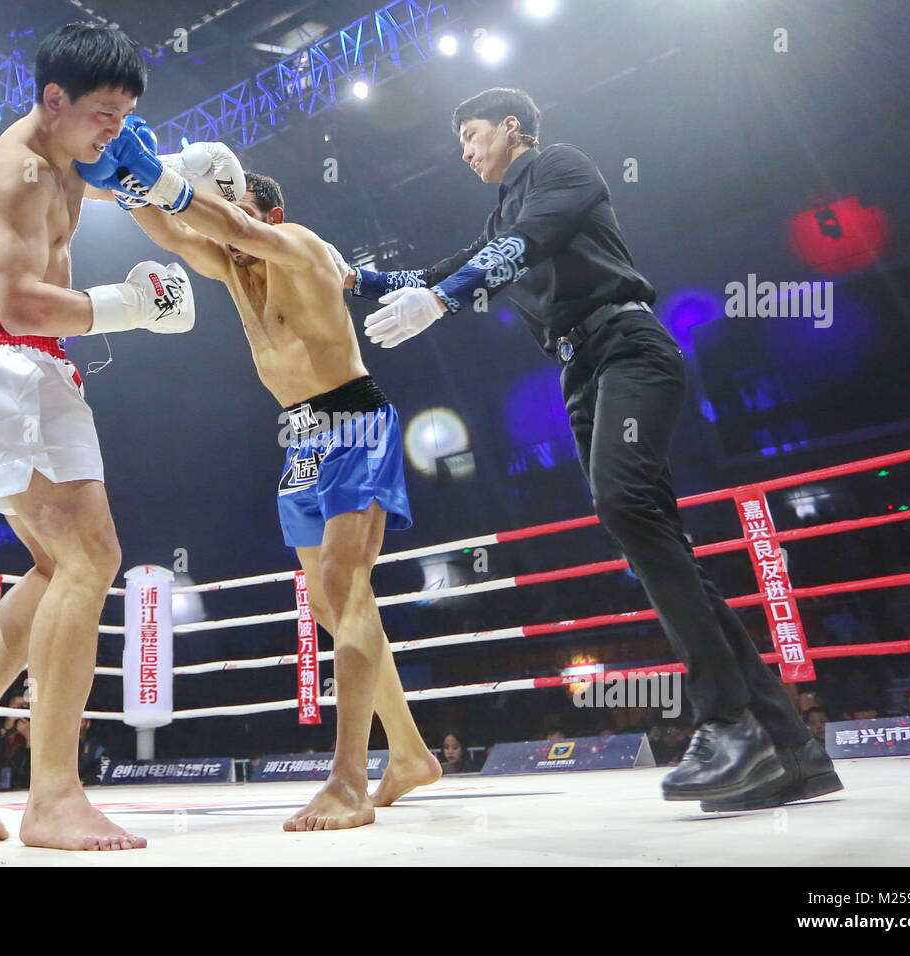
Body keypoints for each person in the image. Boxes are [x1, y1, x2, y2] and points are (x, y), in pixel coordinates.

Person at [342, 87, 841, 812]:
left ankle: (726, 724)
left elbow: (524, 246)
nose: (464, 150)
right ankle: (791, 748)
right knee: (651, 539)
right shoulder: (498, 215)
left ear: (511, 127)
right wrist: (351, 277)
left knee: (624, 504)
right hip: (579, 369)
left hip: (627, 346)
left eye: (473, 134)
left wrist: (445, 301)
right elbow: (433, 273)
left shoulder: (560, 168)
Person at [75, 128, 442, 830]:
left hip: (354, 421)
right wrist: (128, 174)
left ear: (267, 215)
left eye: (234, 213)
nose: (224, 232)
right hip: (301, 438)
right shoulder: (232, 268)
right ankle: (409, 754)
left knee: (344, 587)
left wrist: (170, 183)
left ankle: (348, 781)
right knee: (335, 608)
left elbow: (222, 224)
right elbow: (170, 232)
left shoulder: (297, 245)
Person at [0, 22, 195, 852]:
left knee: (62, 563)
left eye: (127, 112)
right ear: (53, 99)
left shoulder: (74, 155)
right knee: (88, 558)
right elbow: (21, 305)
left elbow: (131, 185)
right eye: (104, 111)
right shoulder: (19, 170)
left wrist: (194, 179)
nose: (116, 127)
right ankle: (53, 796)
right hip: (2, 361)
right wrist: (131, 307)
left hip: (30, 369)